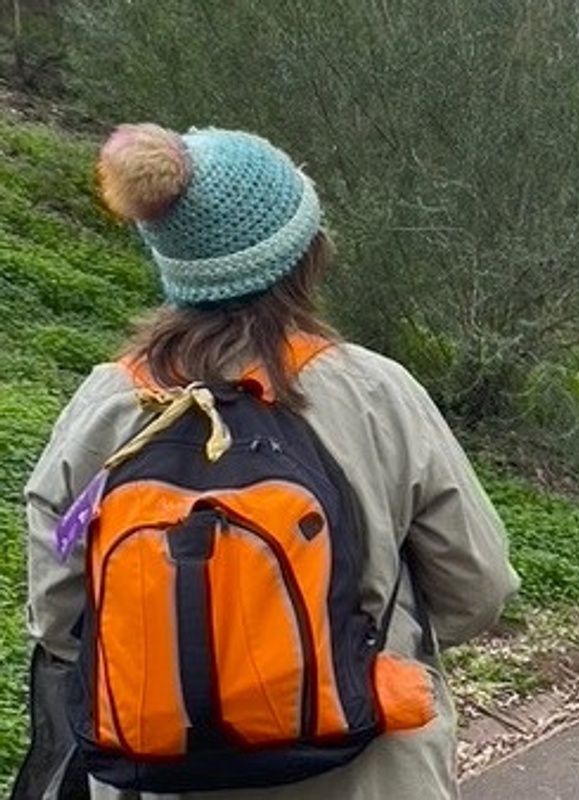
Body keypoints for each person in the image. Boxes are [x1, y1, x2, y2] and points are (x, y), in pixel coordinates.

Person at [24, 124, 519, 799]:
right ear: (305, 255)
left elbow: (57, 615)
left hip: (158, 779)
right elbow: (478, 586)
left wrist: (186, 678)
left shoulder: (107, 405)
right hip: (369, 771)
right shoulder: (377, 393)